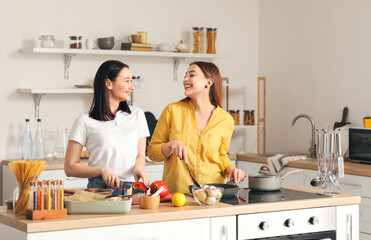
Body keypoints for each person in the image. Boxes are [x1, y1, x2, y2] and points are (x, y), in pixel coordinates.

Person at [147, 61, 245, 193]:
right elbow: (152, 152)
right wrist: (170, 145)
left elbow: (221, 156)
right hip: (177, 194)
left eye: (191, 75)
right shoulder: (172, 111)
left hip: (213, 193)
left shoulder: (225, 119)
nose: (185, 79)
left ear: (208, 82)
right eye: (185, 75)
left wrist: (232, 169)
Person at [64, 60, 150, 195]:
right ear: (108, 83)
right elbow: (70, 167)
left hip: (132, 188)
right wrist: (101, 170)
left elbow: (140, 156)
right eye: (127, 81)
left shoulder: (137, 115)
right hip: (100, 188)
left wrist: (139, 169)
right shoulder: (84, 121)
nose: (132, 87)